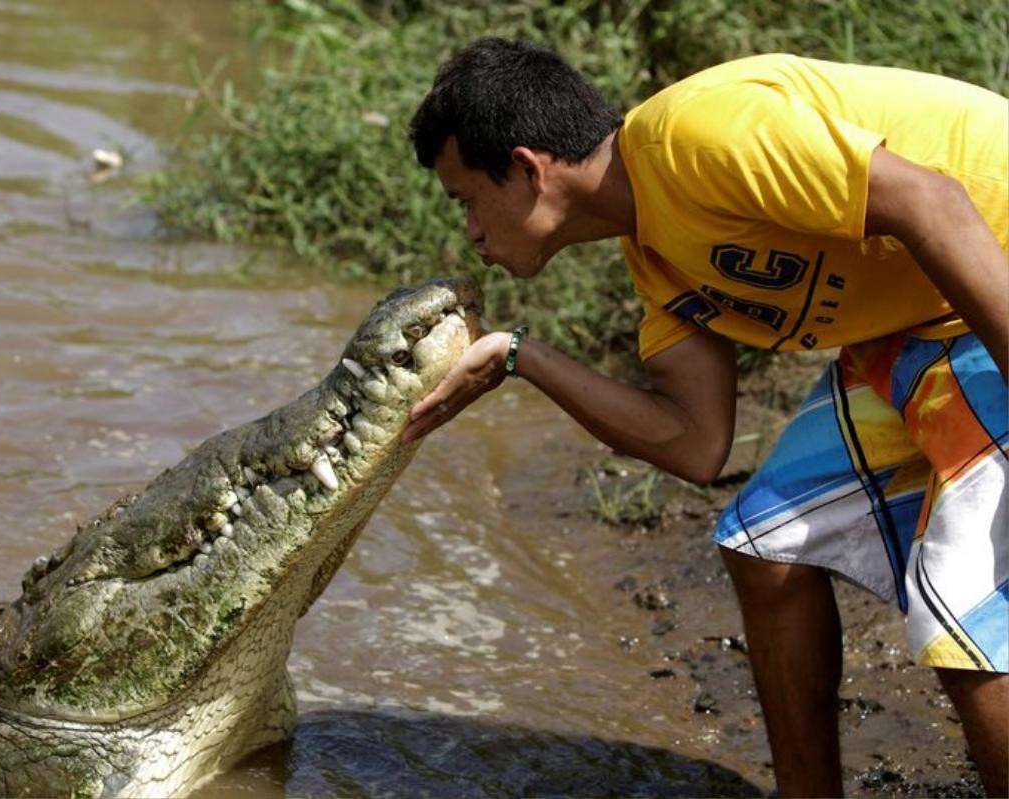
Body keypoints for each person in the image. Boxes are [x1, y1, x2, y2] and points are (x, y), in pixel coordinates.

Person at [402, 37, 1007, 797]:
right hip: (919, 329)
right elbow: (696, 444)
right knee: (768, 543)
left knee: (960, 607)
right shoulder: (656, 259)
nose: (472, 233)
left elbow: (934, 201)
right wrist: (520, 357)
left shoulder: (698, 137)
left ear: (527, 168)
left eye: (467, 201)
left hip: (993, 277)